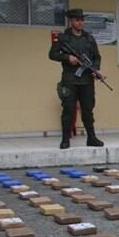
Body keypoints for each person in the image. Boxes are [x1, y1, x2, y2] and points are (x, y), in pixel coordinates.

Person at [49, 8, 104, 149]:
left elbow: (97, 57)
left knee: (88, 109)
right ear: (71, 21)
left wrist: (95, 69)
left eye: (82, 20)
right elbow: (52, 54)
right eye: (77, 20)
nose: (80, 23)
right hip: (70, 80)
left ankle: (91, 137)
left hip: (86, 80)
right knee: (68, 109)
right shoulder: (63, 38)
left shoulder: (89, 39)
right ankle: (65, 139)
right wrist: (67, 57)